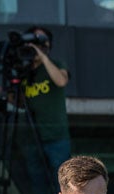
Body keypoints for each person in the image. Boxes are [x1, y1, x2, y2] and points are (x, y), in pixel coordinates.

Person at [17, 27, 72, 183]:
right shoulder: (25, 71)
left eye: (41, 40)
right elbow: (21, 103)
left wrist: (42, 57)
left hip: (56, 136)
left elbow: (61, 81)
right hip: (32, 137)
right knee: (37, 181)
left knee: (62, 182)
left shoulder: (56, 64)